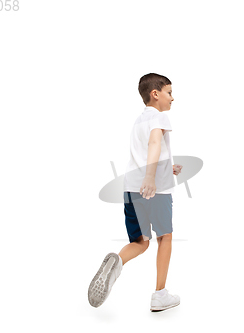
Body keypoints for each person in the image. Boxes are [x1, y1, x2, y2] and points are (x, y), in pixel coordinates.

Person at [88, 73, 182, 311]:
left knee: (140, 242)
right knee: (165, 237)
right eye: (169, 92)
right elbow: (154, 144)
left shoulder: (139, 120)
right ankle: (160, 294)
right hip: (155, 190)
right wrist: (152, 177)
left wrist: (166, 167)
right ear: (155, 94)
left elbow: (145, 152)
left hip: (131, 188)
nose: (173, 98)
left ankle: (118, 261)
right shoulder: (160, 117)